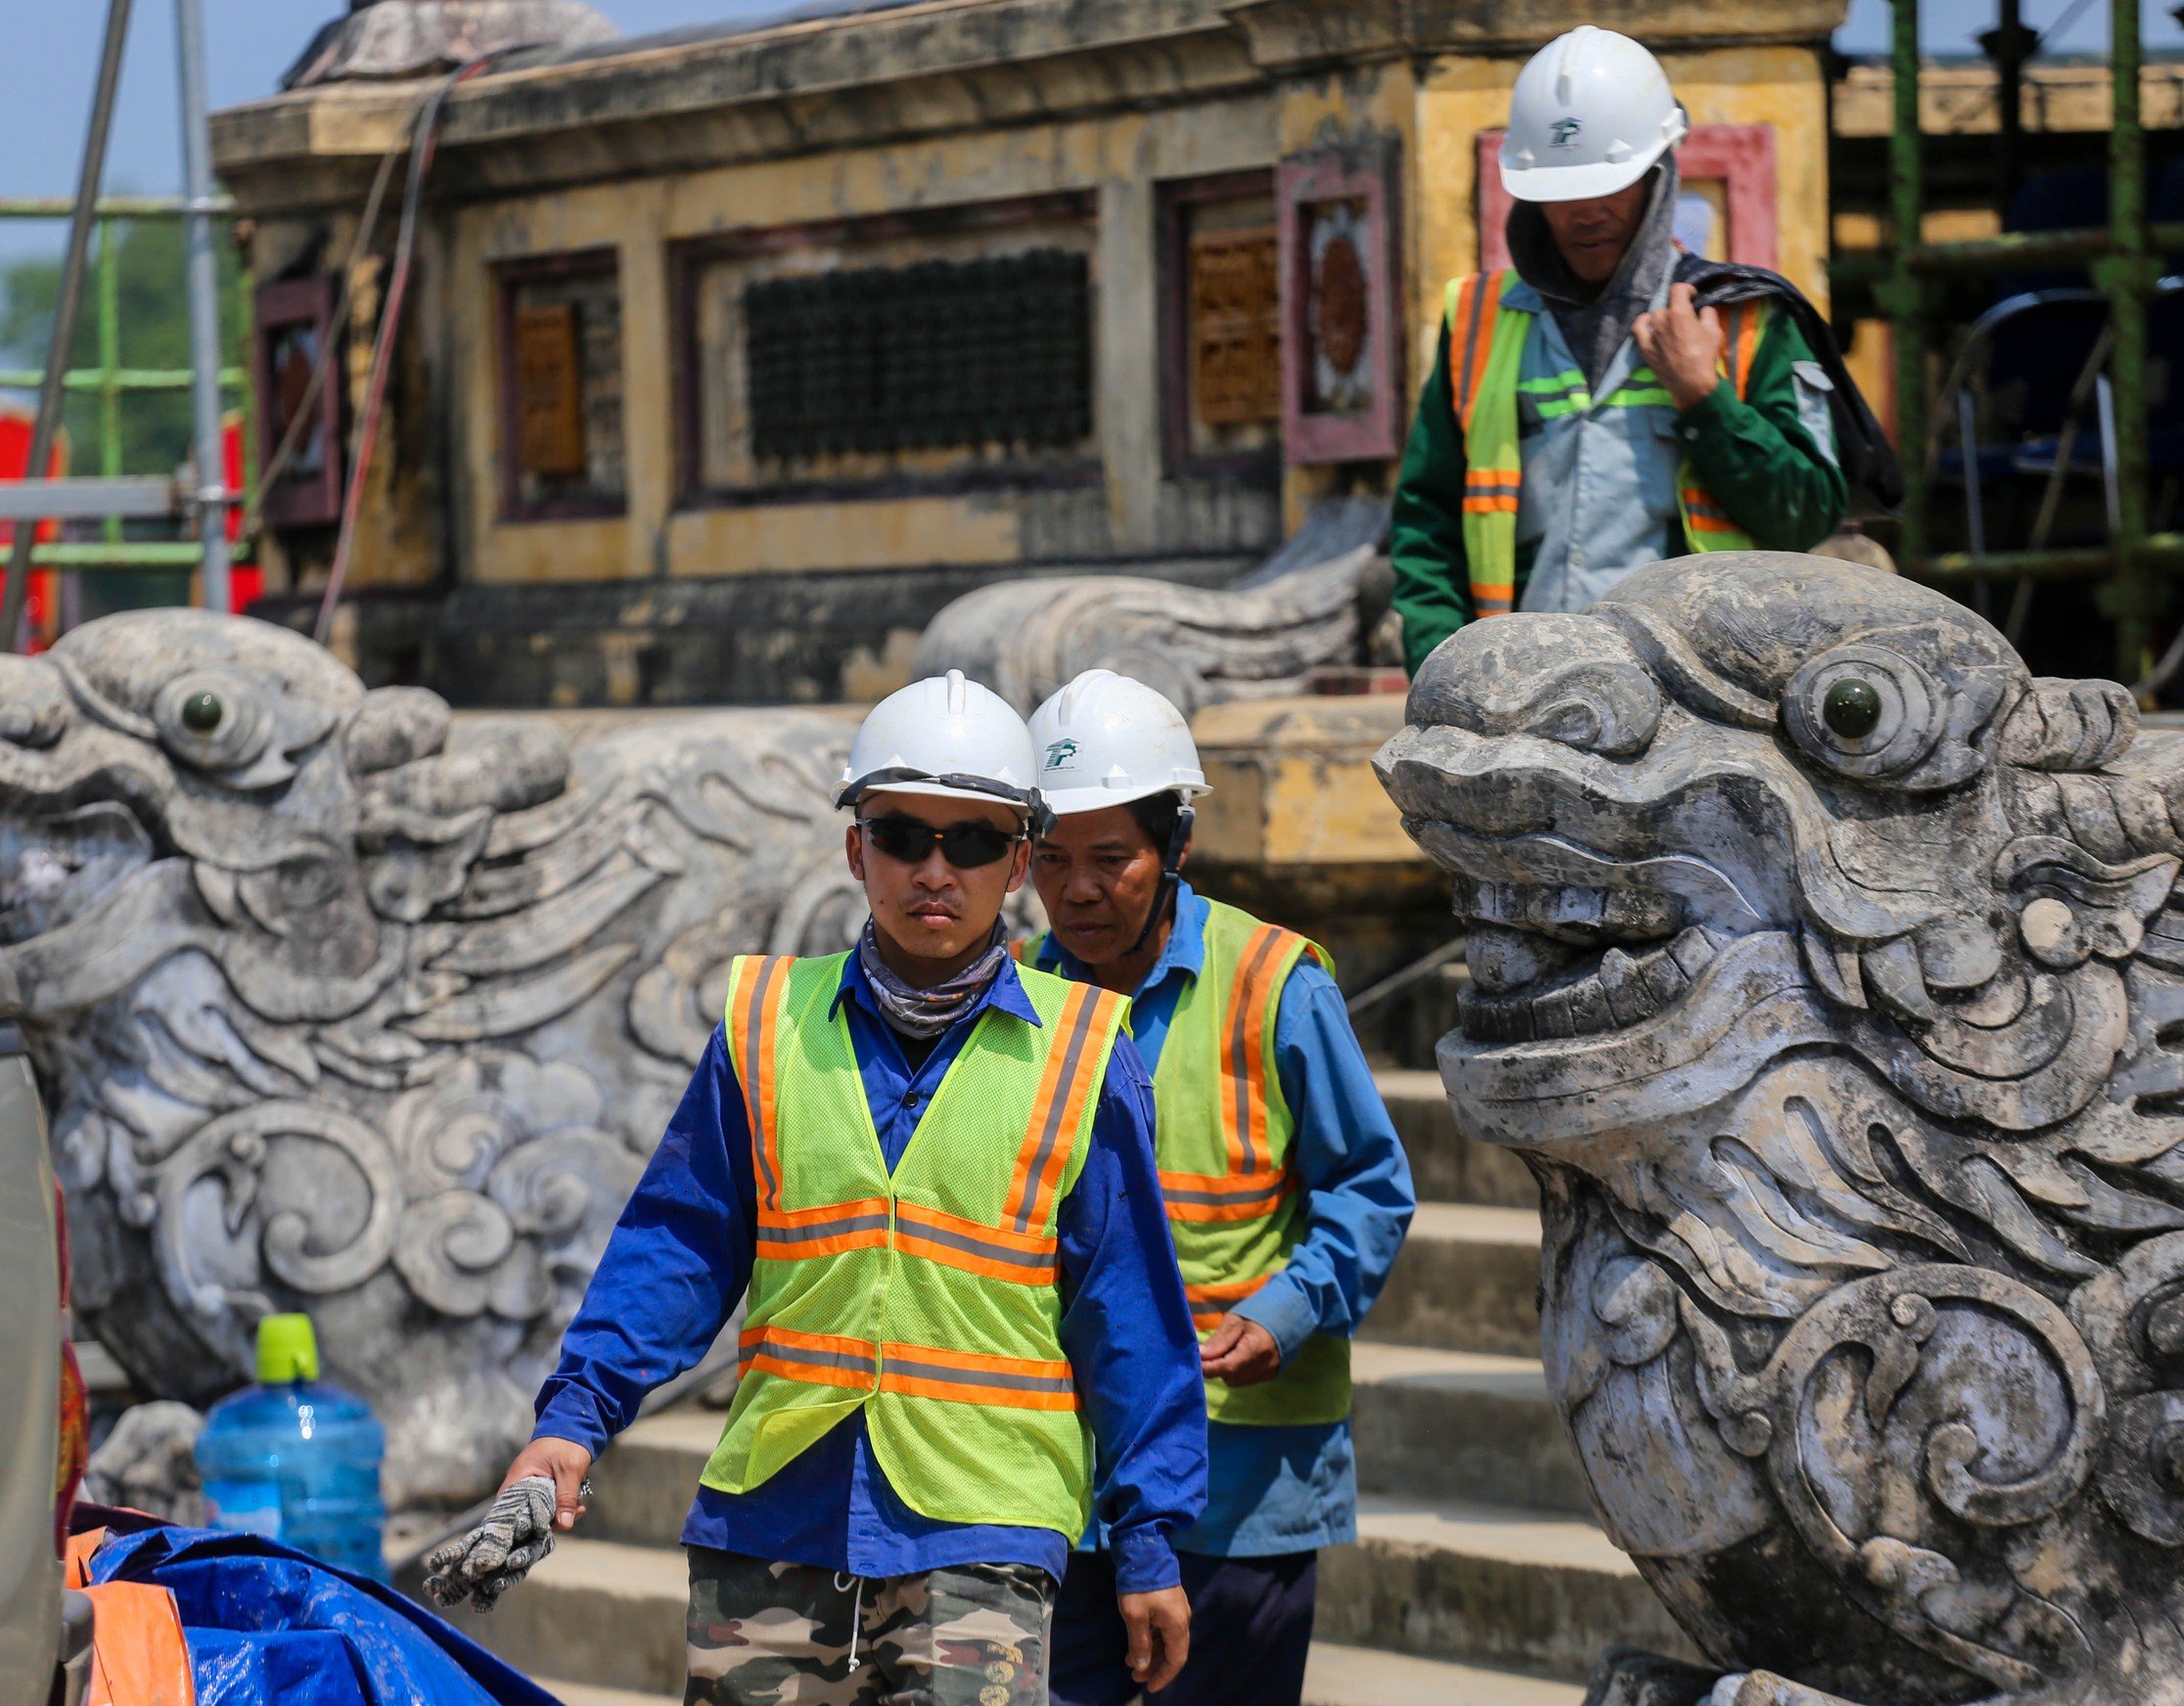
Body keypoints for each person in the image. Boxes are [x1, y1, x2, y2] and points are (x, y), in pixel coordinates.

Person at [428, 670, 1207, 1706]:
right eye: (901, 836)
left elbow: (1130, 1317)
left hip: (982, 1527)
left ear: (1018, 861)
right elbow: (677, 1248)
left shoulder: (1083, 1053)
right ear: (856, 848)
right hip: (771, 1522)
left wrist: (1148, 1540)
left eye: (972, 840)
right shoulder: (762, 1022)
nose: (936, 868)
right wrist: (571, 1422)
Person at [1016, 670, 1415, 1706]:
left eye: (1112, 859)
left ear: (1176, 848)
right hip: (1062, 1468)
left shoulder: (1276, 983)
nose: (1077, 890)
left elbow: (1369, 1190)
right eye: (1050, 860)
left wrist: (1283, 1312)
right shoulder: (1014, 993)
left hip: (1240, 1475)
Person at [1389, 25, 1847, 670]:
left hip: (1702, 708)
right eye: (1560, 190)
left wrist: (1705, 399)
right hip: (1521, 699)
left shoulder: (1749, 320)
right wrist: (1441, 669)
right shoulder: (1474, 319)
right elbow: (1426, 526)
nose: (1585, 211)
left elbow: (1807, 516)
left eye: (1610, 183)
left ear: (1659, 175)